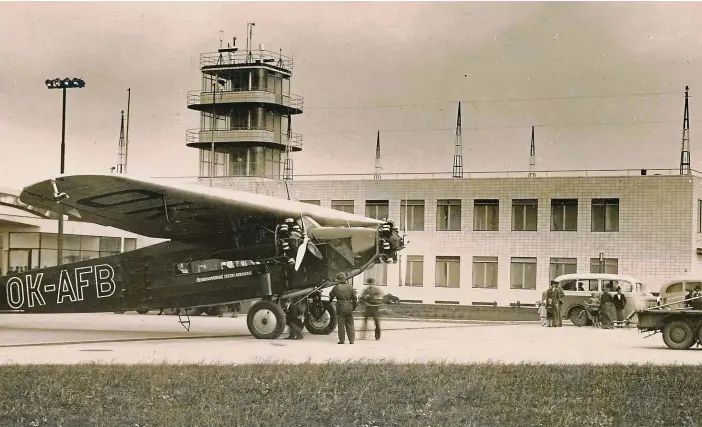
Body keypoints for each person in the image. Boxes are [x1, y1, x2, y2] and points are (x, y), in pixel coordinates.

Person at [329, 275, 358, 344]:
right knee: (350, 323)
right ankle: (352, 340)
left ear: (339, 279)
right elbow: (354, 298)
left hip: (340, 305)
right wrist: (353, 307)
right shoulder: (350, 287)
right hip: (349, 306)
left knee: (341, 324)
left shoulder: (336, 287)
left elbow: (331, 295)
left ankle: (342, 340)